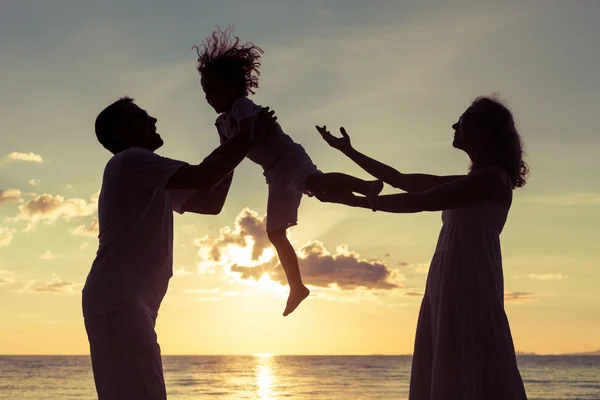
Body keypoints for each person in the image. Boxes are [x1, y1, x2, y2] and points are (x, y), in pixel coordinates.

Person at [315, 96, 529, 400]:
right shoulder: (477, 178)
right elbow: (402, 181)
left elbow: (422, 202)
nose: (455, 125)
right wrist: (348, 151)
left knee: (470, 367)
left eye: (464, 118)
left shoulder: (492, 179)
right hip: (450, 284)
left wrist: (350, 199)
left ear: (486, 130)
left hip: (469, 286)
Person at [82, 96, 276, 400]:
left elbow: (210, 201)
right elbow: (204, 176)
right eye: (142, 117)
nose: (153, 121)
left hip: (128, 304)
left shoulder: (149, 178)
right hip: (119, 303)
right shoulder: (130, 160)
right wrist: (243, 138)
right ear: (121, 132)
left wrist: (231, 141)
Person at [194, 27, 384, 317]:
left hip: (287, 156)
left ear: (234, 86)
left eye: (215, 90)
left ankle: (367, 187)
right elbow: (228, 155)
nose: (209, 98)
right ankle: (297, 287)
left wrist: (252, 137)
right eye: (206, 93)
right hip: (273, 172)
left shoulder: (242, 106)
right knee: (275, 232)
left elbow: (244, 141)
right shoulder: (222, 123)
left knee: (316, 181)